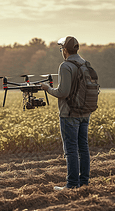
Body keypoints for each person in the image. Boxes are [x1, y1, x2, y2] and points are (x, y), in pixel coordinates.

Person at [40, 36, 91, 190]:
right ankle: (84, 183)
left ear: (65, 50)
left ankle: (72, 184)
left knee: (71, 150)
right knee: (83, 148)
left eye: (61, 48)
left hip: (69, 114)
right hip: (85, 112)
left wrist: (47, 89)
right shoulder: (85, 64)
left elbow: (63, 92)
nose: (61, 51)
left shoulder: (65, 66)